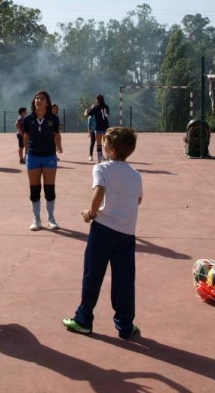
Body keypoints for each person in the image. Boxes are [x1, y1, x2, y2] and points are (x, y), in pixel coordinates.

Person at [63, 127, 143, 339]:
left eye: (106, 143)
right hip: (127, 234)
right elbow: (138, 200)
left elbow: (99, 192)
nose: (103, 146)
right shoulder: (136, 175)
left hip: (103, 230)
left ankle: (83, 319)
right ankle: (125, 325)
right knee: (124, 280)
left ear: (112, 150)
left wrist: (90, 213)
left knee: (93, 274)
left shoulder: (102, 169)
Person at [22, 90, 63, 231]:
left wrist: (59, 146)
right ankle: (36, 218)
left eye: (42, 98)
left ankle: (51, 218)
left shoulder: (53, 118)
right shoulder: (27, 119)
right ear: (34, 102)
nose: (39, 100)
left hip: (49, 156)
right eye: (37, 98)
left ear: (47, 103)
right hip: (33, 156)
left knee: (49, 188)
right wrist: (25, 152)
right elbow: (26, 137)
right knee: (34, 189)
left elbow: (56, 134)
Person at [84, 94, 110, 163]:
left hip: (98, 127)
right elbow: (107, 115)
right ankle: (108, 158)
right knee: (106, 142)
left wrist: (86, 111)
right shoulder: (106, 107)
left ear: (97, 100)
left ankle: (99, 160)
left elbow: (86, 115)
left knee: (98, 143)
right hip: (106, 126)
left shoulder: (96, 107)